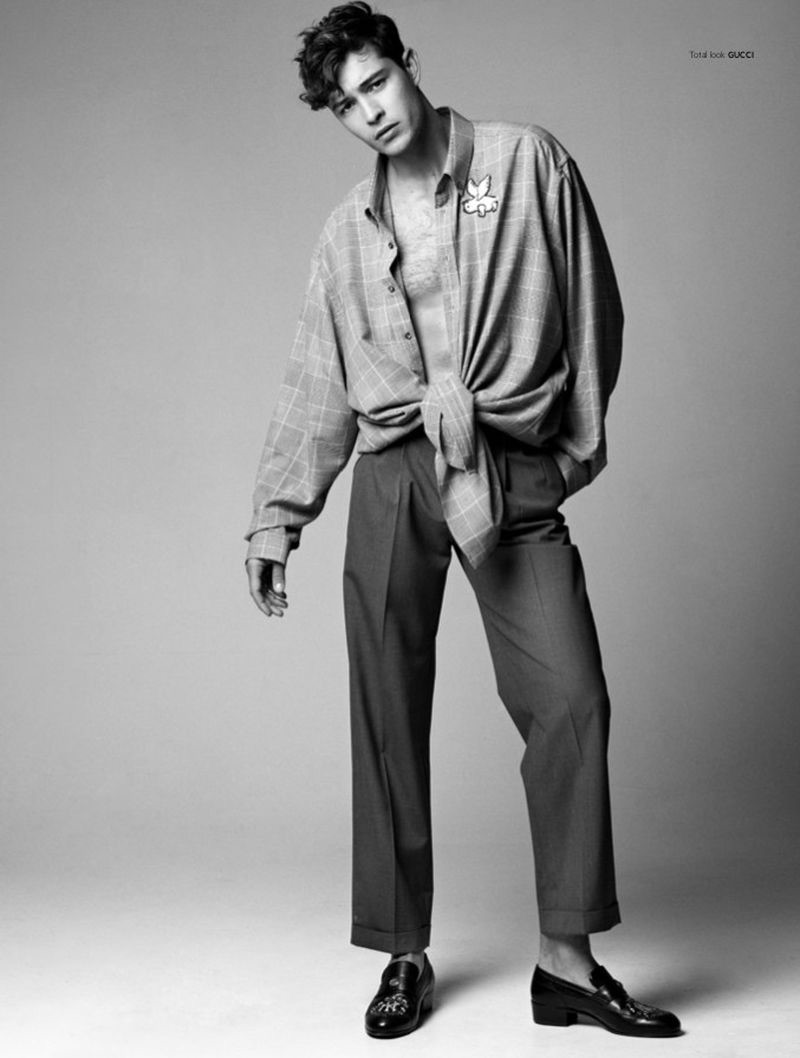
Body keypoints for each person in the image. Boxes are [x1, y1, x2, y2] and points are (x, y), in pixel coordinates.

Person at [246, 2, 681, 1041]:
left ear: (408, 63)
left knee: (569, 698)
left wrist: (565, 452)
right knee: (386, 708)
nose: (370, 112)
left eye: (377, 83)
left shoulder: (528, 163)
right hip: (394, 473)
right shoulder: (344, 233)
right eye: (347, 105)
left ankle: (566, 963)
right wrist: (276, 516)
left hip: (506, 460)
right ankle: (404, 951)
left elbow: (595, 308)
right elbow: (317, 379)